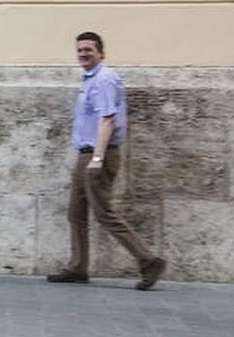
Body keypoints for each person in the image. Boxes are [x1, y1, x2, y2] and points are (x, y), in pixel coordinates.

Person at [48, 31, 167, 290]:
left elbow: (107, 119)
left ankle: (148, 260)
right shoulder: (90, 79)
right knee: (76, 213)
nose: (83, 54)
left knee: (104, 214)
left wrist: (98, 158)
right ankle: (78, 267)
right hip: (86, 155)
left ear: (101, 52)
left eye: (88, 50)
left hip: (97, 155)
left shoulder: (103, 79)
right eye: (79, 50)